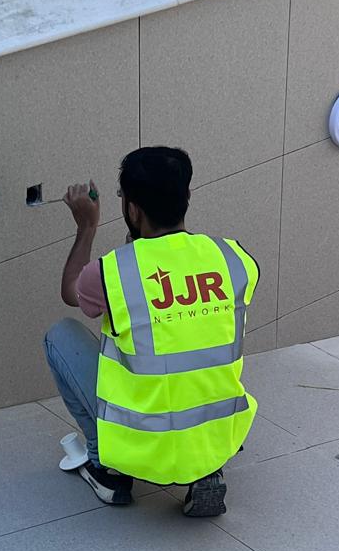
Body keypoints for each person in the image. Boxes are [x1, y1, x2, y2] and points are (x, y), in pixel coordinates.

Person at [43, 146, 259, 518]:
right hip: (217, 433)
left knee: (59, 335)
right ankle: (205, 470)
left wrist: (86, 227)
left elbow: (70, 292)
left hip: (139, 443)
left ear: (132, 210)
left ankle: (107, 470)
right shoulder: (233, 259)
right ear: (187, 195)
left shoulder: (112, 272)